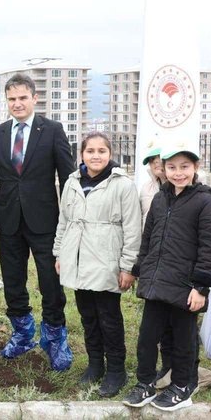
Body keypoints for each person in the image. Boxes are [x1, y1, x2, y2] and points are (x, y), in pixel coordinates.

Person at [0, 73, 76, 371]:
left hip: (46, 221)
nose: (17, 103)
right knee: (13, 280)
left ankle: (54, 336)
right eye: (12, 99)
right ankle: (22, 334)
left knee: (50, 280)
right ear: (6, 102)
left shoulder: (52, 131)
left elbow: (68, 178)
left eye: (23, 98)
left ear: (35, 98)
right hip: (8, 221)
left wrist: (70, 219)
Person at [123, 142, 211, 411]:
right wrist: (138, 269)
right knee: (147, 337)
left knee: (183, 339)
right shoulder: (160, 198)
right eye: (172, 167)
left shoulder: (205, 201)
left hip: (185, 286)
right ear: (163, 169)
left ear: (196, 168)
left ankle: (183, 386)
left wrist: (201, 287)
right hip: (156, 282)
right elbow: (149, 239)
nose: (178, 173)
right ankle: (145, 383)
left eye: (184, 167)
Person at [53, 132, 141, 396]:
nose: (96, 156)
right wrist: (60, 253)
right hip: (78, 258)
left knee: (109, 317)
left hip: (106, 259)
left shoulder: (122, 184)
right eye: (90, 151)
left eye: (102, 151)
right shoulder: (72, 182)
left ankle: (116, 370)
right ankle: (95, 364)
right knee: (87, 316)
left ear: (110, 154)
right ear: (82, 154)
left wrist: (127, 267)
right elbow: (64, 220)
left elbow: (132, 228)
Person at [139, 144, 166, 227]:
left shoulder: (180, 187)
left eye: (159, 157)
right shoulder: (146, 188)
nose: (155, 161)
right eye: (151, 159)